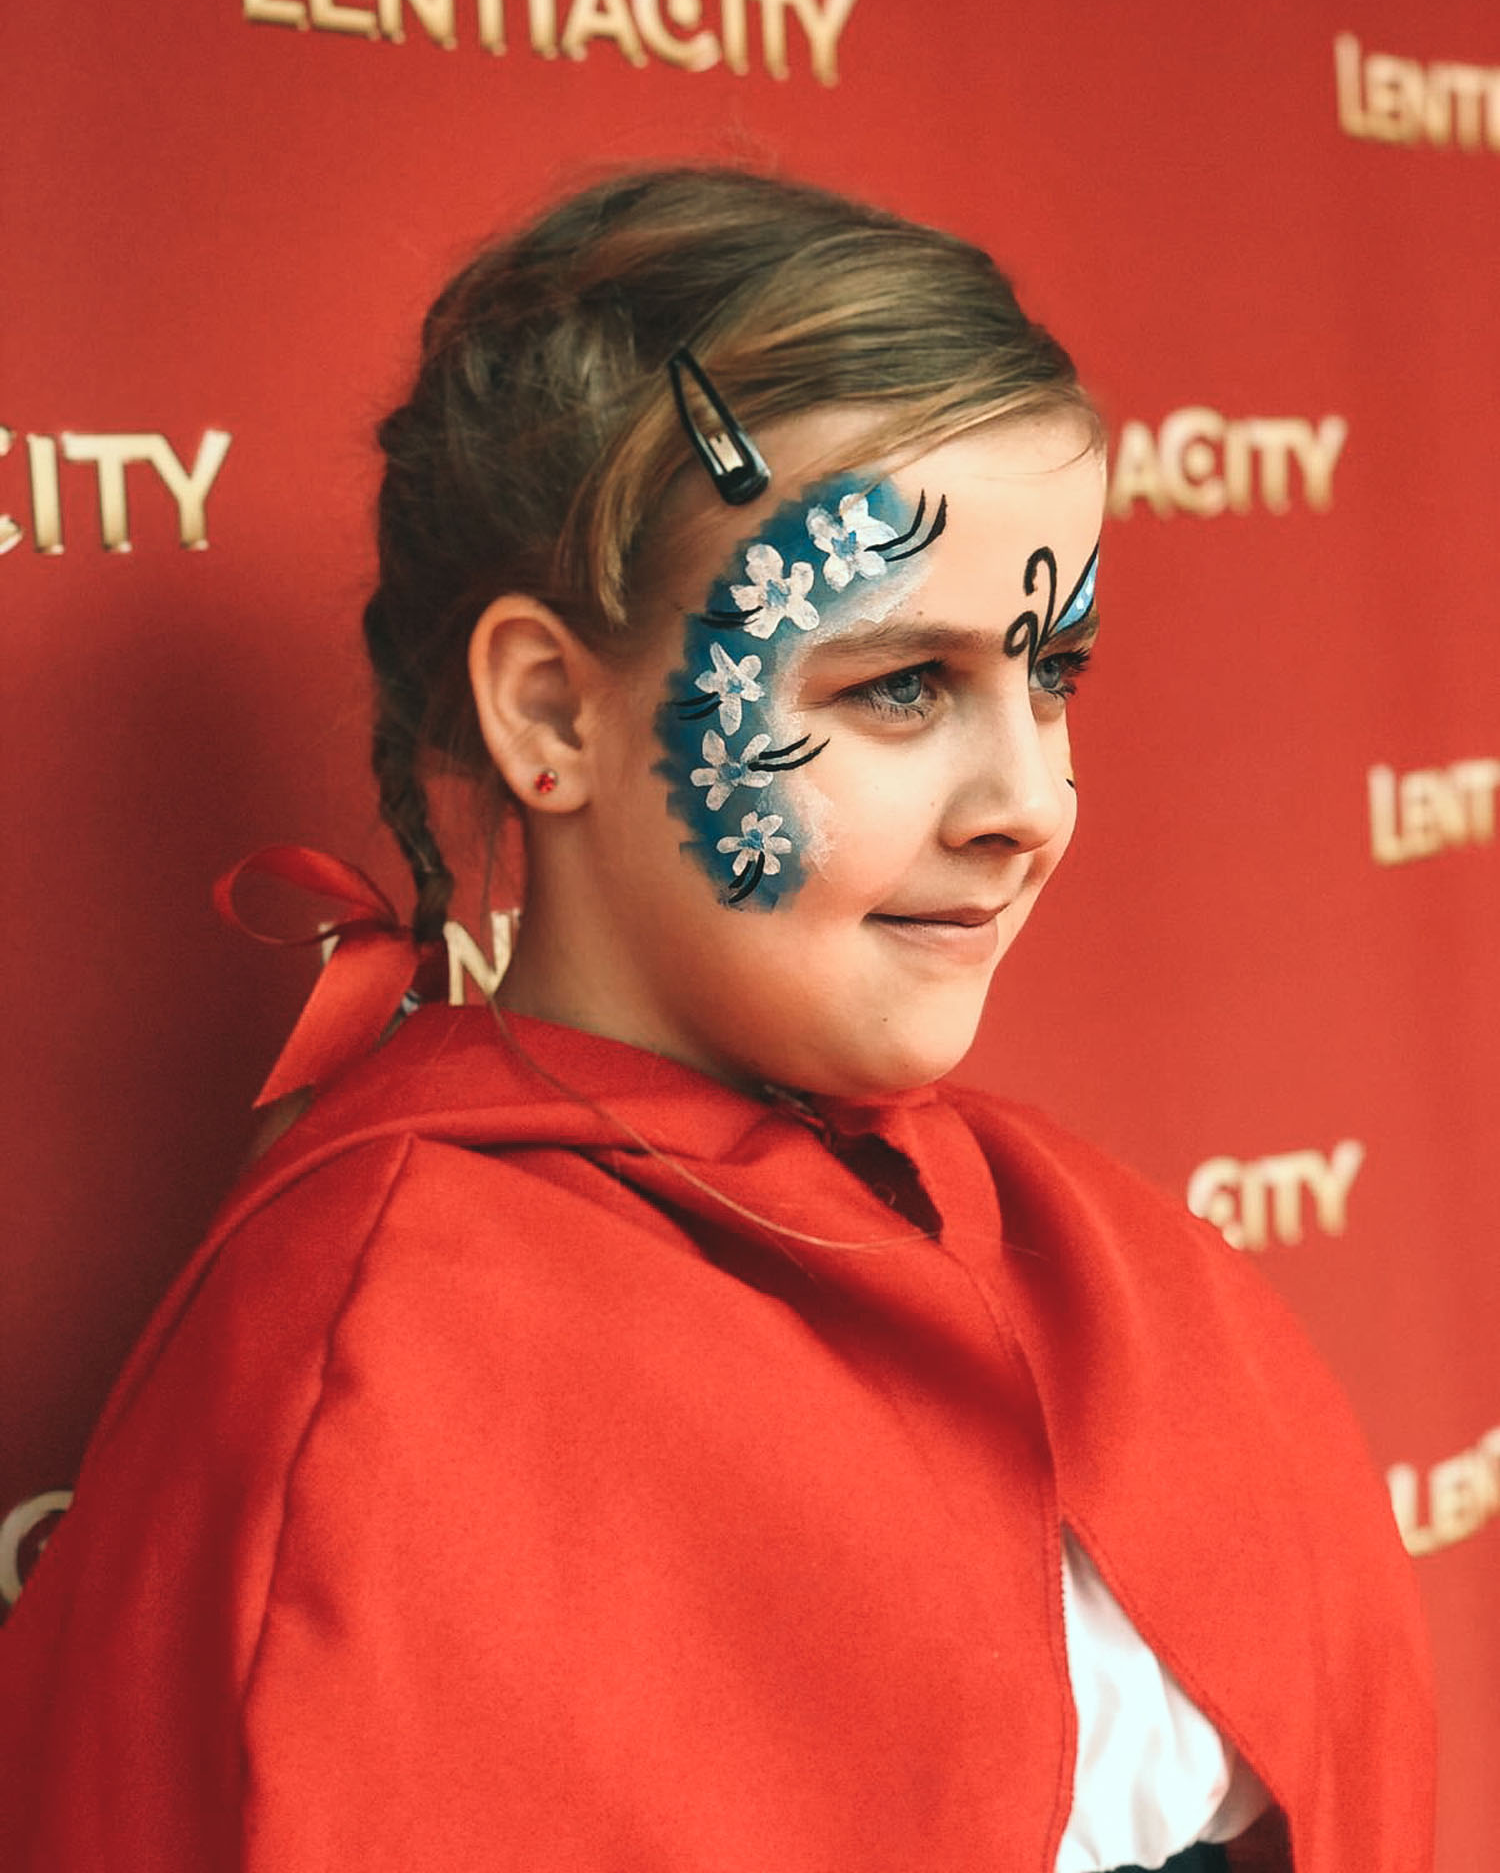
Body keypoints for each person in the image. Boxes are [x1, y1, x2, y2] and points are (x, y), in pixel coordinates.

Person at [0, 169, 1433, 1871]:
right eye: (900, 684)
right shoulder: (375, 1383)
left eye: (1052, 672)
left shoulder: (1114, 1268)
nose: (1032, 802)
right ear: (554, 714)